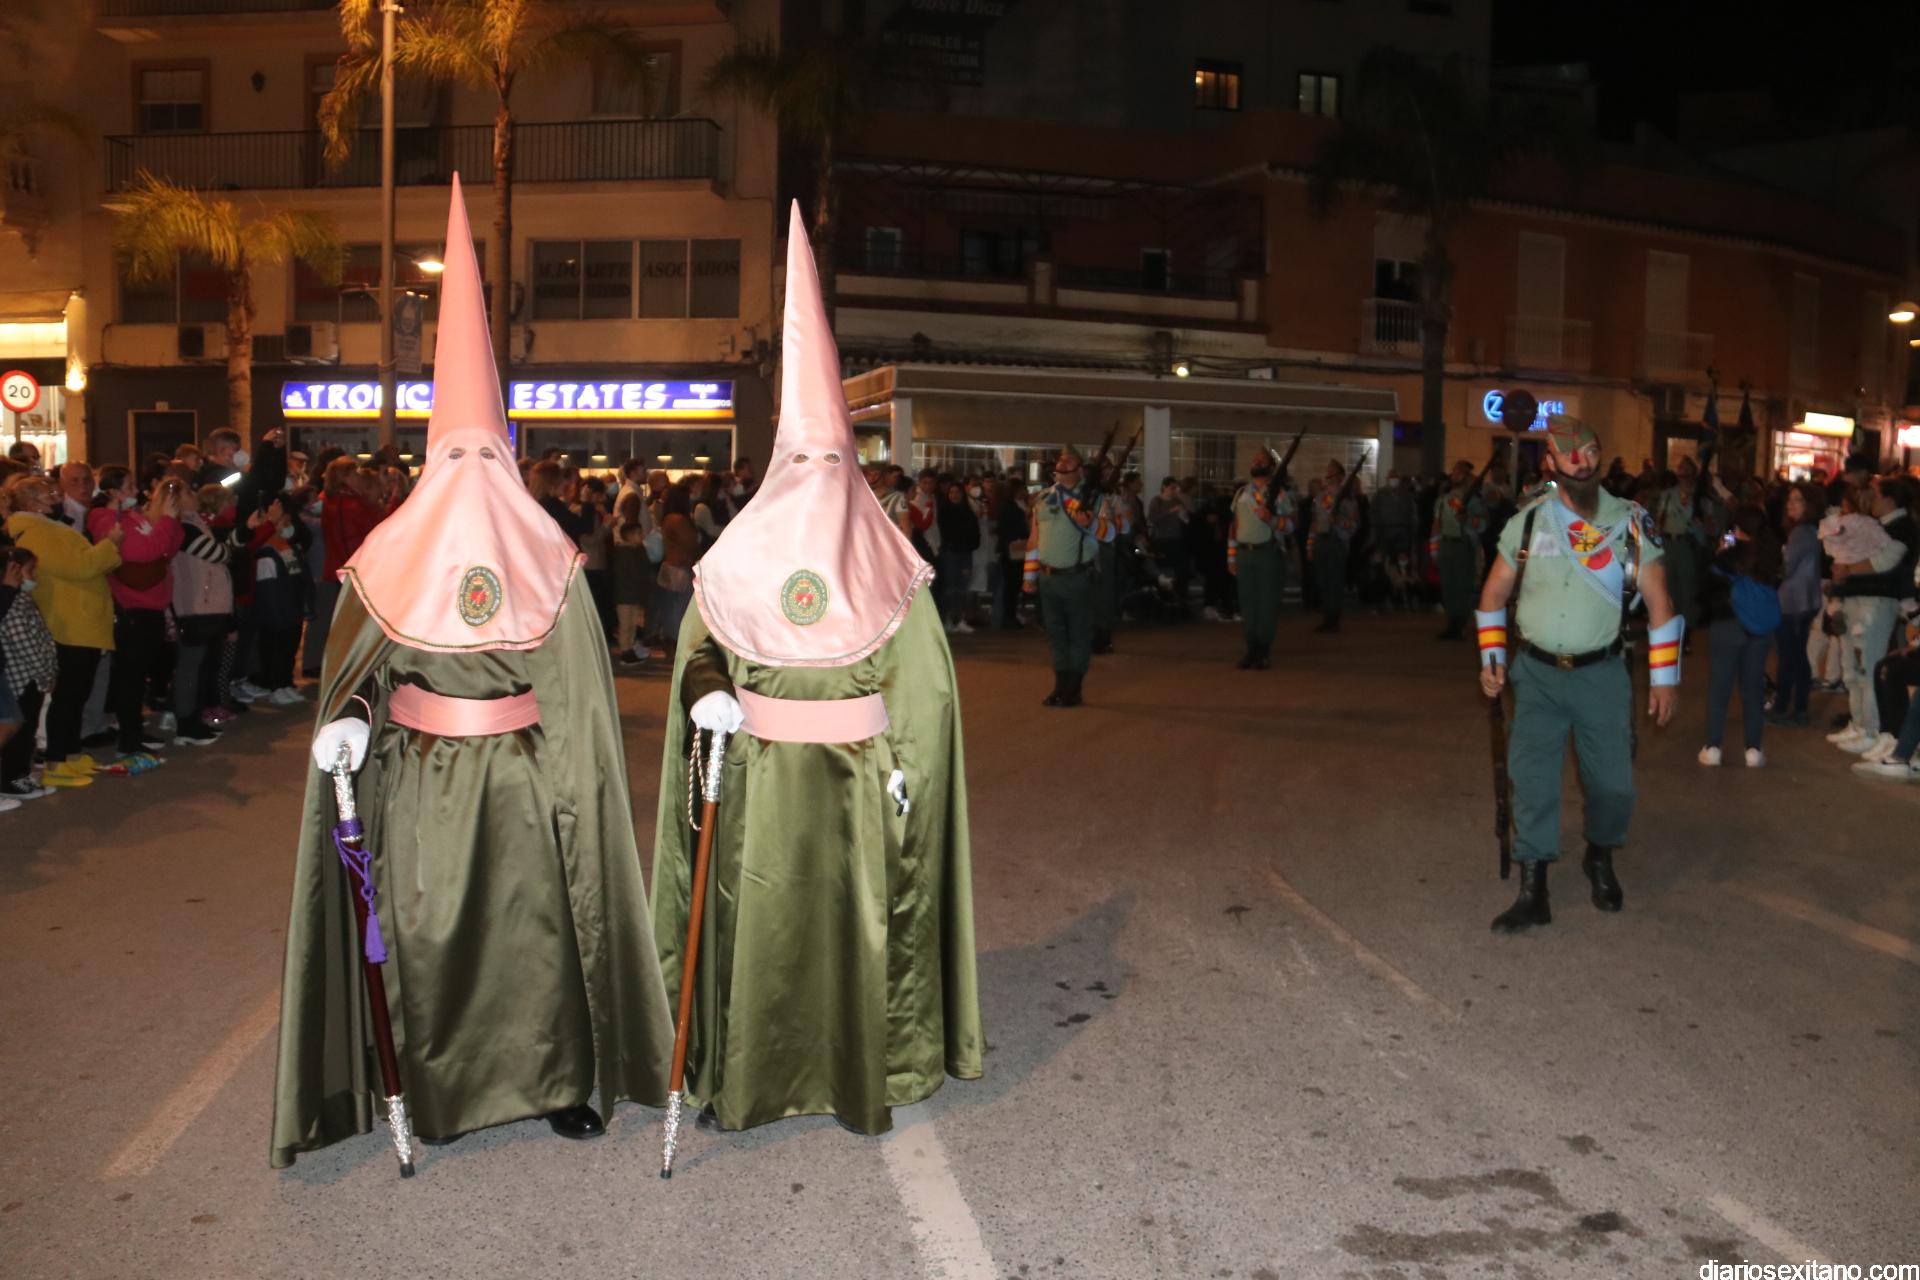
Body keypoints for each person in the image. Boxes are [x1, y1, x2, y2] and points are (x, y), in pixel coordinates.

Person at [271, 180, 674, 1168]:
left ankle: (558, 1082)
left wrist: (572, 780)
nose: (469, 473)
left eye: (483, 454)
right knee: (430, 929)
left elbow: (578, 692)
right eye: (452, 455)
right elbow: (362, 670)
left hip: (525, 779)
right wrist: (350, 718)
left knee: (538, 931)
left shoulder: (550, 556)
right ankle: (437, 1086)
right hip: (421, 778)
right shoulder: (387, 555)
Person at [651, 204, 980, 1137]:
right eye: (800, 457)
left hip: (858, 783)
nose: (815, 474)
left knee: (855, 924)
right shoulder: (734, 556)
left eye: (829, 457)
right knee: (761, 923)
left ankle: (859, 1068)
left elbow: (925, 695)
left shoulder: (892, 564)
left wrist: (907, 775)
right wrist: (710, 696)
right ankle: (742, 1071)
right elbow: (702, 650)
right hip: (757, 776)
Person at [1475, 415, 1680, 934]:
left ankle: (1599, 854)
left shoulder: (1630, 521)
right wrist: (1492, 659)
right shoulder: (1528, 522)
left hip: (1601, 675)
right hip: (1536, 675)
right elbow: (1494, 595)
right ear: (1550, 462)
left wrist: (1664, 680)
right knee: (1533, 782)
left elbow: (1660, 602)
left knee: (1614, 788)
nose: (1580, 461)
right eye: (1568, 454)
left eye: (1589, 451)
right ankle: (1534, 888)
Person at [2, 472, 123, 786]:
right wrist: (110, 544)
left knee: (77, 694)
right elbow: (81, 567)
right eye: (48, 494)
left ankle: (70, 752)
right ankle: (56, 760)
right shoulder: (37, 532)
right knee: (69, 696)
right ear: (32, 503)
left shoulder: (47, 528)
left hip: (78, 618)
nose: (56, 498)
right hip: (69, 621)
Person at [87, 466, 186, 757]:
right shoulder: (104, 518)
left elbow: (167, 548)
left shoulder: (133, 516)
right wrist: (165, 520)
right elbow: (142, 552)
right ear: (113, 491)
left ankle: (134, 731)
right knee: (130, 677)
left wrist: (169, 518)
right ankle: (128, 739)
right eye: (129, 486)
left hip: (152, 604)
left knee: (138, 675)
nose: (137, 491)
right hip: (132, 607)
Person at [1697, 505, 1783, 767]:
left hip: (1728, 626)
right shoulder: (1771, 556)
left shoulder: (1728, 557)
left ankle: (1713, 747)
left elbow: (1706, 588)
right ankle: (1753, 749)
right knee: (1753, 688)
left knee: (1720, 688)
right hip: (1760, 630)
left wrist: (1719, 553)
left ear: (1738, 529)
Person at [1024, 449, 1102, 707]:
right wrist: (1029, 575)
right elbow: (1034, 539)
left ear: (1080, 470)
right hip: (1048, 577)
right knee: (1055, 633)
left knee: (1078, 633)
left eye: (1070, 460)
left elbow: (1112, 531)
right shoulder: (1043, 498)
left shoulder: (1093, 498)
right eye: (1061, 459)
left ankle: (1074, 687)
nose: (1062, 462)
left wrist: (1091, 523)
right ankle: (1060, 684)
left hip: (1076, 576)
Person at [169, 484, 235, 746]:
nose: (193, 496)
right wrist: (227, 547)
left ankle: (193, 719)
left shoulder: (195, 524)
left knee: (200, 666)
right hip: (194, 606)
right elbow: (218, 553)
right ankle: (186, 724)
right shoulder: (184, 527)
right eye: (188, 493)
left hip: (205, 605)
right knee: (190, 668)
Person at [1, 547, 62, 800]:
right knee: (20, 733)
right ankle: (12, 779)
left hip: (32, 676)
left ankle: (20, 775)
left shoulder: (22, 599)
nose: (34, 575)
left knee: (27, 730)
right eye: (30, 570)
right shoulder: (14, 602)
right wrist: (45, 673)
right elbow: (23, 642)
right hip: (23, 678)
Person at [1227, 453, 1293, 669]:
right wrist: (1231, 556)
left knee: (1266, 605)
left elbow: (1292, 525)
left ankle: (1263, 650)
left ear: (1271, 467)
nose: (1256, 462)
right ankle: (1251, 648)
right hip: (1244, 554)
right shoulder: (1241, 493)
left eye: (1261, 460)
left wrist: (1271, 519)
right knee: (1247, 604)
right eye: (1254, 459)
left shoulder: (1279, 494)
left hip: (1268, 553)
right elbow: (1234, 526)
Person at [1770, 482, 1825, 728]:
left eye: (1798, 500)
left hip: (1793, 602)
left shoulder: (1801, 532)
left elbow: (1786, 568)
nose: (1791, 504)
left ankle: (1784, 706)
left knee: (1789, 657)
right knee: (1798, 656)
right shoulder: (1808, 530)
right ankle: (1799, 707)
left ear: (1808, 505)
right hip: (1804, 600)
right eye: (1790, 499)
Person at [1432, 459, 1487, 641]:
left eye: (1460, 472)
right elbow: (1437, 525)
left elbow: (1482, 524)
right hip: (1447, 543)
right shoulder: (1443, 499)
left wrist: (1468, 519)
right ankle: (1452, 623)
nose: (1455, 474)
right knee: (1448, 586)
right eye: (1455, 471)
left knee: (1462, 586)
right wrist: (1434, 549)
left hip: (1463, 544)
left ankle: (1460, 624)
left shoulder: (1474, 501)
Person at [1309, 458, 1360, 633]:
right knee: (1323, 580)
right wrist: (1310, 544)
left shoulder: (1347, 499)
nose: (1328, 473)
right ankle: (1326, 616)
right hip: (1321, 540)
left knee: (1335, 581)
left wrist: (1338, 521)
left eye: (1332, 471)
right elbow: (1315, 522)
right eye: (1328, 470)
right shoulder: (1320, 497)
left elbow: (1354, 524)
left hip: (1337, 541)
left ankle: (1333, 618)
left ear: (1340, 476)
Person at [609, 491, 655, 666]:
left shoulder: (637, 551)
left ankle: (629, 648)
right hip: (625, 595)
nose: (641, 537)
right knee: (626, 624)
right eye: (638, 534)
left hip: (633, 594)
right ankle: (625, 650)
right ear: (628, 536)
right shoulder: (623, 553)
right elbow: (627, 574)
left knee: (632, 623)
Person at [936, 477, 980, 633]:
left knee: (962, 587)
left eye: (957, 492)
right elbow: (946, 533)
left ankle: (958, 618)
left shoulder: (968, 512)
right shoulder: (944, 511)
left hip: (965, 553)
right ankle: (948, 619)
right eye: (951, 492)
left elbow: (975, 533)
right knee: (950, 587)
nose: (954, 495)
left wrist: (971, 545)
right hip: (950, 553)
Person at [1147, 476, 1191, 617]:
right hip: (1162, 540)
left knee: (1181, 571)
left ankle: (1181, 602)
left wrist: (1183, 515)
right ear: (1164, 487)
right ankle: (1165, 601)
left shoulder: (1178, 501)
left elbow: (1186, 520)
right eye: (1172, 488)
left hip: (1176, 540)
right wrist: (1170, 512)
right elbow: (1153, 518)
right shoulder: (1157, 501)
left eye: (1175, 488)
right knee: (1164, 570)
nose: (1174, 491)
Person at [55, 462, 93, 528]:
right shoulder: (62, 514)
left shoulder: (103, 505)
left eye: (87, 479)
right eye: (75, 480)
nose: (83, 484)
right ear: (61, 483)